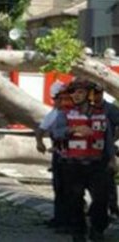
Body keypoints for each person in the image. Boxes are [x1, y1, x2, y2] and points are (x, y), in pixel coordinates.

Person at [54, 79, 119, 242]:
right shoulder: (65, 114)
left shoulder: (102, 115)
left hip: (97, 164)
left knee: (101, 199)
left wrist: (112, 159)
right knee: (74, 200)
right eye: (74, 92)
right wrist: (73, 129)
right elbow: (56, 133)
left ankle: (97, 229)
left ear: (89, 95)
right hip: (73, 165)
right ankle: (78, 233)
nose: (76, 95)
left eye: (81, 92)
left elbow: (108, 139)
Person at [35, 81, 71, 231]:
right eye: (59, 98)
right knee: (60, 188)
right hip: (59, 156)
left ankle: (68, 221)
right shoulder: (54, 114)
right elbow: (41, 129)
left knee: (70, 190)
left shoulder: (74, 113)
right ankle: (60, 219)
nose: (60, 101)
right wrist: (40, 142)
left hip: (73, 157)